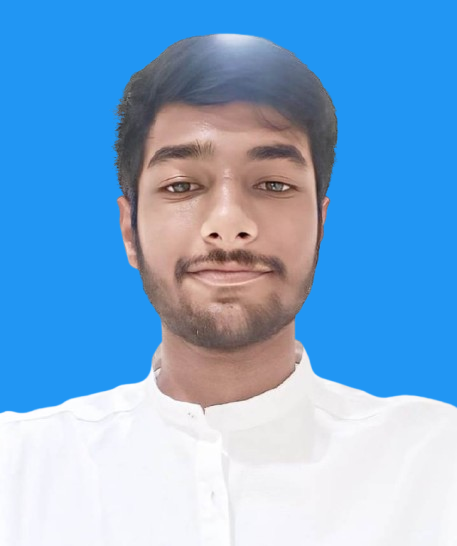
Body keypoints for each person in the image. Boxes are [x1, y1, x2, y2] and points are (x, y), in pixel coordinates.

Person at [1, 34, 456, 546]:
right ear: (129, 231)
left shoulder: (439, 465)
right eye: (181, 186)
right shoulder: (18, 471)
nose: (228, 223)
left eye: (274, 184)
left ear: (320, 226)